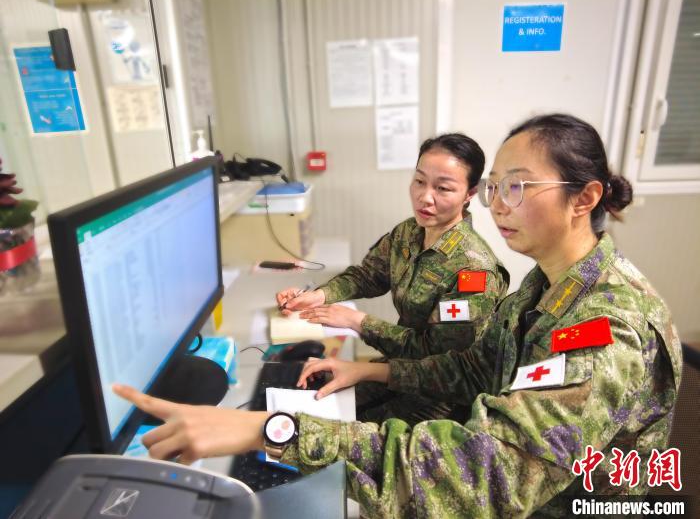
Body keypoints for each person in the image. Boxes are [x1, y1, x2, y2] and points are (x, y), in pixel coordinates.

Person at [114, 114, 682, 518]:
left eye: (517, 187)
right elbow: (472, 368)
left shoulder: (605, 329)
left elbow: (487, 477)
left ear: (583, 198)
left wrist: (272, 428)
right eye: (496, 187)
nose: (499, 205)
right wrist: (368, 365)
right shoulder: (542, 286)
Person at [276, 133, 508, 425]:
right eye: (419, 181)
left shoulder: (473, 272)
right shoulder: (409, 233)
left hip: (439, 398)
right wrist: (320, 295)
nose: (425, 197)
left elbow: (438, 360)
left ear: (469, 194)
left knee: (333, 428)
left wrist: (357, 321)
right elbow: (368, 275)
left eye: (443, 188)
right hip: (398, 370)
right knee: (313, 403)